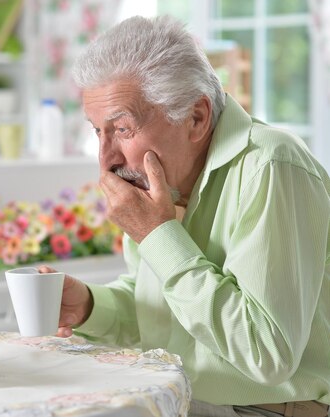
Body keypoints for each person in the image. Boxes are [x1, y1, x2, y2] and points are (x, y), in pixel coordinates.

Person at [45, 15, 330, 417]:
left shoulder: (271, 165)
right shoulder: (163, 181)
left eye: (122, 129)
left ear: (195, 118)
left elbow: (267, 354)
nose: (106, 160)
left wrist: (159, 234)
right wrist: (91, 306)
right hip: (181, 401)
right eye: (97, 131)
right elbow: (170, 318)